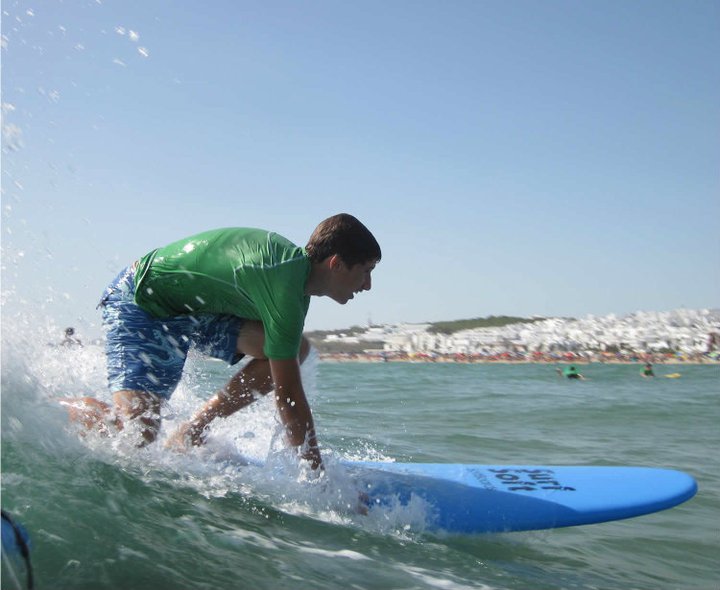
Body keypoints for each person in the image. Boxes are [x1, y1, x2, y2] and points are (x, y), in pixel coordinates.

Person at [63, 213, 381, 471]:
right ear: (336, 264)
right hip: (142, 300)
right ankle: (39, 407)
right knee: (136, 436)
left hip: (195, 312)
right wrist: (320, 481)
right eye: (365, 271)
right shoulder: (284, 282)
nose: (367, 285)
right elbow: (290, 399)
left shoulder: (296, 288)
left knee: (294, 348)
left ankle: (191, 431)